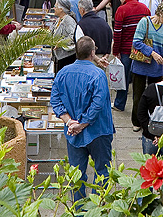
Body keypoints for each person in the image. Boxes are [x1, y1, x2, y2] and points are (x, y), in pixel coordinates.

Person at [49, 37, 115, 203]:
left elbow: (55, 99)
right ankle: (99, 207)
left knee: (76, 174)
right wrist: (81, 123)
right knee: (102, 171)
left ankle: (78, 209)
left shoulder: (63, 72)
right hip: (98, 131)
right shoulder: (98, 75)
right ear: (93, 53)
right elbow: (98, 104)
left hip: (73, 133)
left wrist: (69, 122)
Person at [131, 2, 163, 132]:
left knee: (153, 96)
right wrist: (152, 53)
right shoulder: (144, 22)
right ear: (161, 13)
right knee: (138, 95)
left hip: (156, 68)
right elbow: (137, 42)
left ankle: (150, 120)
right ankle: (136, 121)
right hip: (140, 65)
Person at [112, 0, 150, 112]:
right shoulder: (145, 9)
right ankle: (139, 107)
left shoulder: (121, 10)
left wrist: (115, 51)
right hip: (140, 50)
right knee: (139, 81)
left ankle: (119, 104)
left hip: (125, 50)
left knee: (124, 78)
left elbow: (117, 33)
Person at [51, 0, 78, 71]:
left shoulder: (69, 21)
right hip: (60, 56)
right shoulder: (59, 19)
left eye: (55, 7)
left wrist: (61, 43)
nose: (54, 8)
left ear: (61, 9)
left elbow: (72, 37)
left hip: (66, 57)